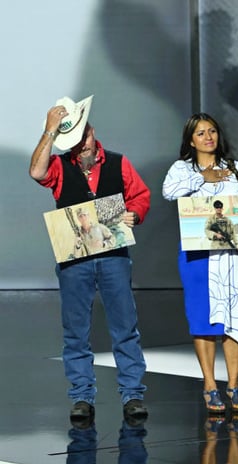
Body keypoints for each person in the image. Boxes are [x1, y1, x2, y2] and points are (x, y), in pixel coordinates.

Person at [29, 95, 150, 422]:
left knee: (125, 324)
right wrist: (50, 131)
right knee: (76, 329)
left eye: (84, 137)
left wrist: (134, 215)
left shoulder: (118, 162)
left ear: (93, 131)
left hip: (113, 256)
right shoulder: (58, 165)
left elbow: (140, 196)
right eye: (74, 142)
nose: (81, 146)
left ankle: (133, 393)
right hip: (74, 261)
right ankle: (82, 395)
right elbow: (36, 171)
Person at [162, 113, 238, 414]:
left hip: (233, 255)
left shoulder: (236, 168)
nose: (208, 137)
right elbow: (169, 192)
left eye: (212, 131)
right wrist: (201, 177)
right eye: (201, 133)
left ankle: (233, 383)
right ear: (191, 140)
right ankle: (209, 384)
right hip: (198, 256)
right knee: (203, 321)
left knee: (234, 318)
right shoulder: (182, 169)